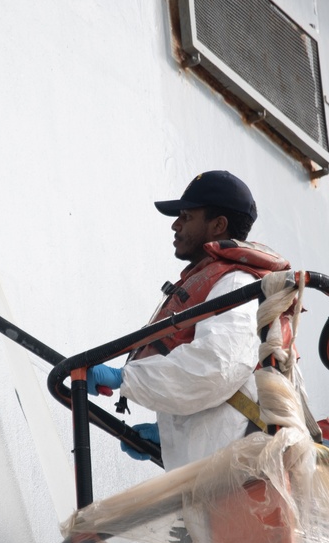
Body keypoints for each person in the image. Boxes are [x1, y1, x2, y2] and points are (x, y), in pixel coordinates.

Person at [86, 171, 290, 469]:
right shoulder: (224, 283)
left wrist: (124, 378)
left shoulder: (235, 284)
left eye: (186, 216)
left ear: (218, 225)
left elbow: (216, 367)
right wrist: (172, 438)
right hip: (222, 469)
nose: (175, 224)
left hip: (242, 474)